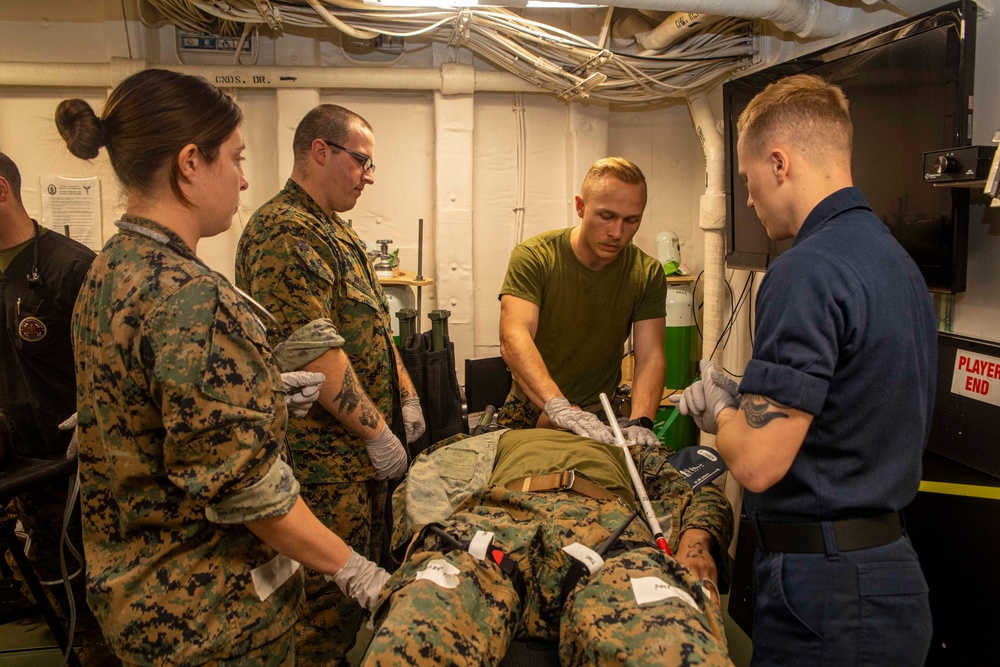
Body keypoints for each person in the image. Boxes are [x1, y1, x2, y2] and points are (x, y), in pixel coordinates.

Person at [55, 69, 390, 665]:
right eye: (233, 159)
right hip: (213, 612)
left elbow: (149, 412)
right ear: (190, 163)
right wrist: (354, 568)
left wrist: (260, 389)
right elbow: (248, 488)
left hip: (139, 595)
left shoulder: (111, 268)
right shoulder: (191, 296)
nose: (242, 179)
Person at [675, 74, 936, 666]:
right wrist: (749, 391)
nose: (747, 199)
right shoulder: (896, 263)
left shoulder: (806, 269)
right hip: (887, 572)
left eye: (747, 181)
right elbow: (854, 399)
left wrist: (722, 409)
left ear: (779, 162)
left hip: (829, 591)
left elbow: (759, 463)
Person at [235, 103, 425, 666]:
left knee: (344, 611)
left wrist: (407, 393)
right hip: (323, 464)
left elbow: (370, 325)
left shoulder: (334, 230)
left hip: (353, 462)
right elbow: (313, 350)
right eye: (362, 161)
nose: (369, 176)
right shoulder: (284, 231)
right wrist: (376, 434)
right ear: (321, 151)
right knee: (321, 607)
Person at [364, 427, 734, 665]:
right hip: (496, 522)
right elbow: (426, 473)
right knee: (416, 633)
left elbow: (695, 494)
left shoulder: (625, 448)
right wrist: (421, 536)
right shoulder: (496, 437)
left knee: (672, 648)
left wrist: (696, 544)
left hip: (609, 534)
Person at [0, 150, 118, 664]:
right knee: (44, 559)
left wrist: (95, 414)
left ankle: (100, 646)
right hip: (14, 450)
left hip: (69, 450)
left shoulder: (69, 267)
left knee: (90, 562)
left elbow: (114, 361)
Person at [497, 157, 667, 447]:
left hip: (601, 416)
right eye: (606, 216)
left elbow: (650, 355)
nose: (617, 233)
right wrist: (557, 406)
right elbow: (514, 337)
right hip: (531, 408)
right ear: (580, 207)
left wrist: (641, 422)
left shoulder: (646, 273)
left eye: (631, 220)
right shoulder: (536, 257)